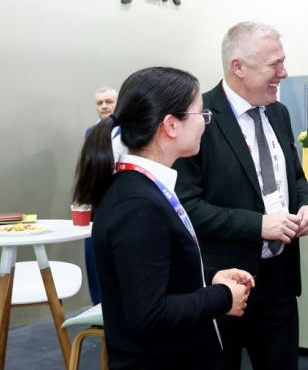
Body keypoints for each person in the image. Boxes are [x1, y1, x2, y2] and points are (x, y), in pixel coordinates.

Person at [72, 67, 254, 369]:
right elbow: (150, 314)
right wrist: (222, 297)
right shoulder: (137, 205)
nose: (205, 121)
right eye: (201, 113)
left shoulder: (144, 189)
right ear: (171, 125)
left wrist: (209, 277)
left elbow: (158, 268)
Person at [174, 22, 308, 370]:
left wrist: (307, 204)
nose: (283, 73)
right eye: (274, 64)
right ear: (238, 66)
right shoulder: (198, 117)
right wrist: (258, 226)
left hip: (279, 280)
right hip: (221, 282)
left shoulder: (279, 113)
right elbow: (187, 207)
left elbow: (295, 176)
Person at [83, 86, 120, 306]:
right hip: (96, 201)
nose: (104, 106)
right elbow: (87, 167)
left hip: (119, 198)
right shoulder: (91, 132)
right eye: (100, 103)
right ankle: (98, 307)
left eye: (109, 101)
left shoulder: (127, 131)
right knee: (92, 254)